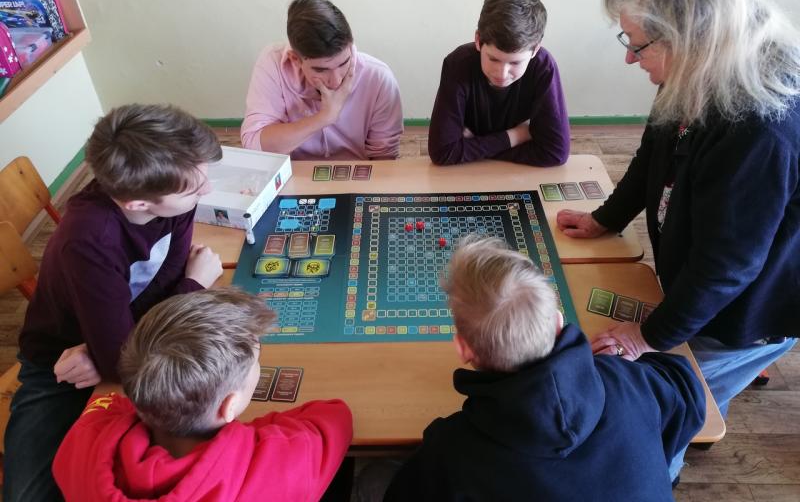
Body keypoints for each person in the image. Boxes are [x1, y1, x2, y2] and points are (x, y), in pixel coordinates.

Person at [556, 0, 800, 478]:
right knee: (679, 384)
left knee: (660, 411)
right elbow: (653, 154)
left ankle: (655, 471)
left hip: (748, 310)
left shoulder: (761, 127)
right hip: (705, 282)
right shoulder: (696, 70)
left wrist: (647, 336)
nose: (629, 58)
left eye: (638, 44)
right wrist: (605, 219)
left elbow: (725, 268)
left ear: (689, 38)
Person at [4, 104, 224, 502]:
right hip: (60, 364)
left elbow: (164, 282)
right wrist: (193, 284)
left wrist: (113, 344)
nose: (206, 191)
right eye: (193, 188)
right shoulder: (88, 239)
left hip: (107, 350)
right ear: (138, 204)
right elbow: (122, 365)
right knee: (29, 496)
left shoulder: (172, 199)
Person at [384, 235, 705, 501]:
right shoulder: (627, 380)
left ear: (463, 348)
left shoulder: (452, 450)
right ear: (558, 322)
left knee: (374, 478)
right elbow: (690, 392)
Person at [53, 288, 353, 501]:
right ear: (228, 406)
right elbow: (335, 417)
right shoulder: (283, 460)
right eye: (256, 363)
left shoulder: (83, 439)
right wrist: (251, 435)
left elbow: (108, 406)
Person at [241, 0, 404, 160]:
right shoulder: (273, 64)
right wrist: (324, 117)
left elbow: (384, 159)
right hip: (292, 172)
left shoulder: (378, 78)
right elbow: (255, 145)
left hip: (356, 172)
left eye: (344, 63)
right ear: (295, 59)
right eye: (321, 70)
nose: (336, 81)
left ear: (350, 45)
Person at [427, 0, 570, 166]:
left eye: (515, 63)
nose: (501, 74)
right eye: (493, 59)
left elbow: (555, 153)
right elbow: (442, 152)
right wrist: (517, 136)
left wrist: (475, 143)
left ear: (535, 50)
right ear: (478, 41)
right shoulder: (458, 64)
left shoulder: (543, 67)